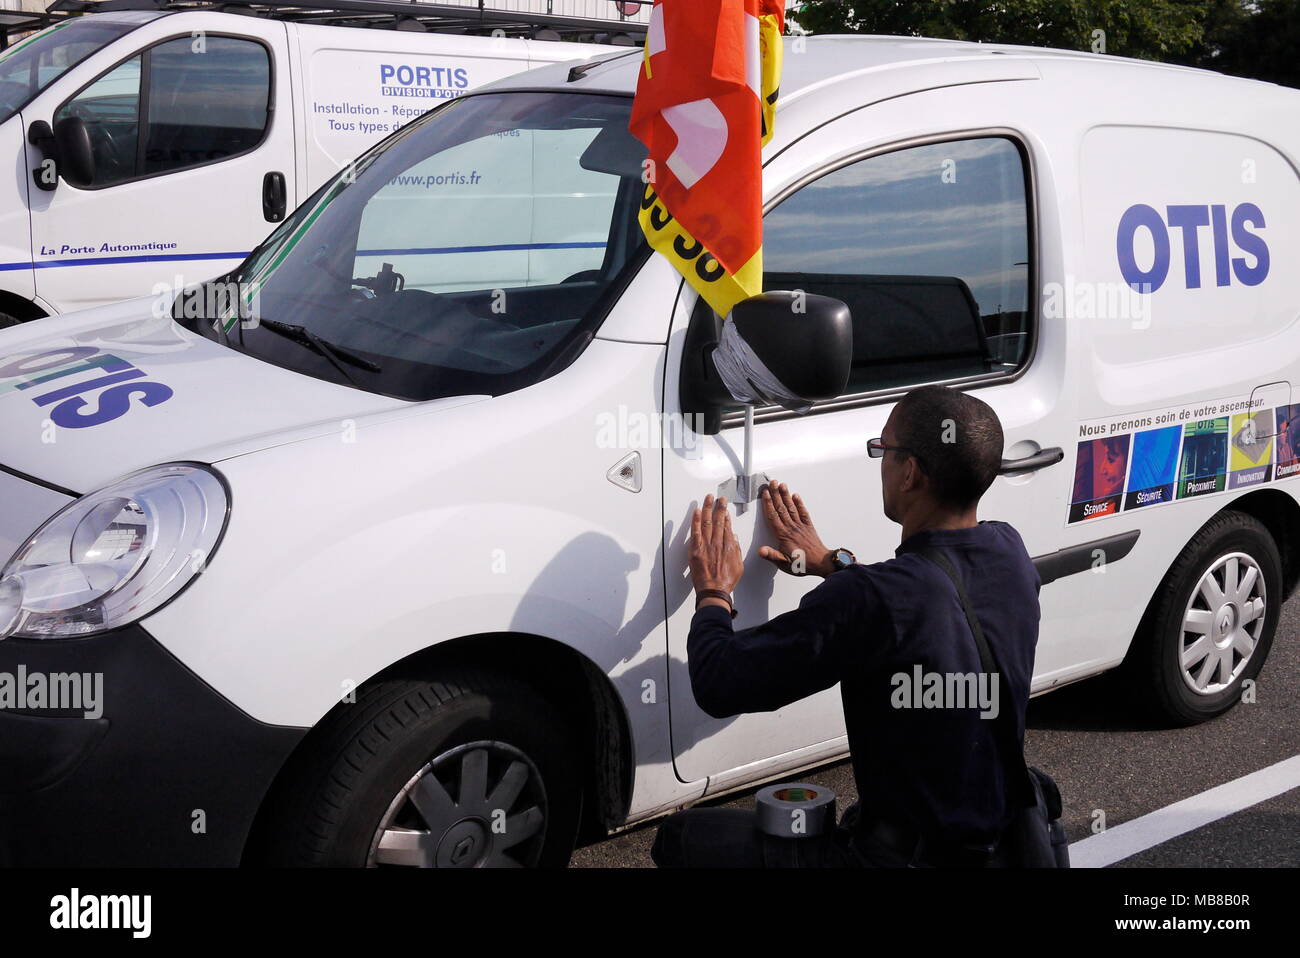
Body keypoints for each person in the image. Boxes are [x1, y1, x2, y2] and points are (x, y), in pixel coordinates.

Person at [650, 384, 1042, 868]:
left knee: (682, 839)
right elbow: (925, 602)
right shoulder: (1009, 550)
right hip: (1001, 847)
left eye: (883, 449)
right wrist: (834, 562)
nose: (880, 459)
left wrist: (714, 593)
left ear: (910, 473)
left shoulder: (871, 600)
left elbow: (719, 682)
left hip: (900, 858)